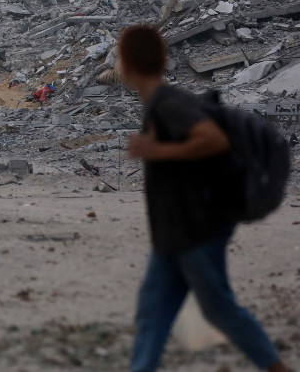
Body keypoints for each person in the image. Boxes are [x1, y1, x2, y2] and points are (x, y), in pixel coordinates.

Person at [119, 25, 290, 372]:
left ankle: (277, 368)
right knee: (153, 310)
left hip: (196, 228)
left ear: (124, 65)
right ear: (164, 58)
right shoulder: (159, 104)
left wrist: (156, 149)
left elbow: (213, 140)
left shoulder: (168, 103)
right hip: (174, 231)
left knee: (218, 307)